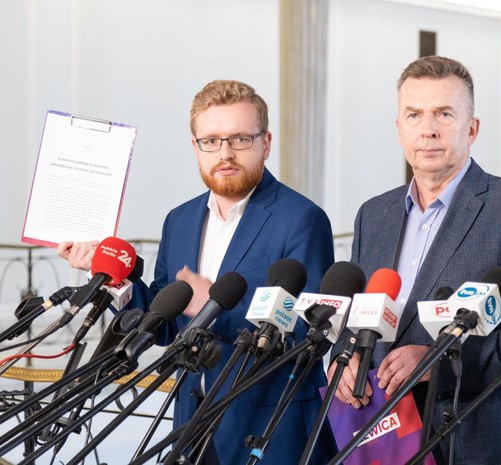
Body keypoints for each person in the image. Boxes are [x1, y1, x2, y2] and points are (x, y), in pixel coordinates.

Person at [57, 80, 336, 465]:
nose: (225, 153)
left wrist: (212, 306)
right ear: (195, 147)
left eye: (241, 139)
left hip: (271, 429)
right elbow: (165, 322)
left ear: (266, 143)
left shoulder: (301, 219)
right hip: (192, 424)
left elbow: (308, 333)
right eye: (211, 141)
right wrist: (112, 275)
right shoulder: (180, 221)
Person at [329, 56, 501, 464]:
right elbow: (356, 316)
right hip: (378, 438)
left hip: (465, 442)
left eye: (444, 114)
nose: (428, 129)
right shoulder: (373, 215)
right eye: (414, 115)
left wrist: (438, 361)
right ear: (399, 129)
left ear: (472, 129)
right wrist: (342, 361)